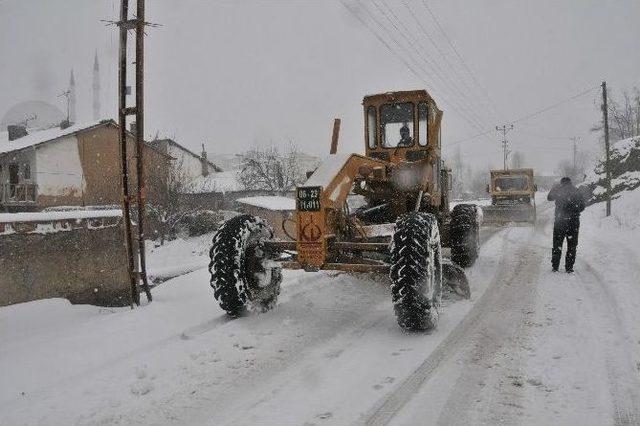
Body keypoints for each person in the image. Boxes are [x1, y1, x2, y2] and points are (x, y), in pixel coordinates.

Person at [547, 177, 586, 273]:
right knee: (572, 245)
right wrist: (574, 213)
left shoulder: (559, 190)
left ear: (562, 183)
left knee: (557, 244)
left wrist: (554, 188)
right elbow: (582, 206)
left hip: (560, 222)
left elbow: (549, 198)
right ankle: (569, 267)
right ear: (570, 182)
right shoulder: (577, 191)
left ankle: (555, 267)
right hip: (574, 223)